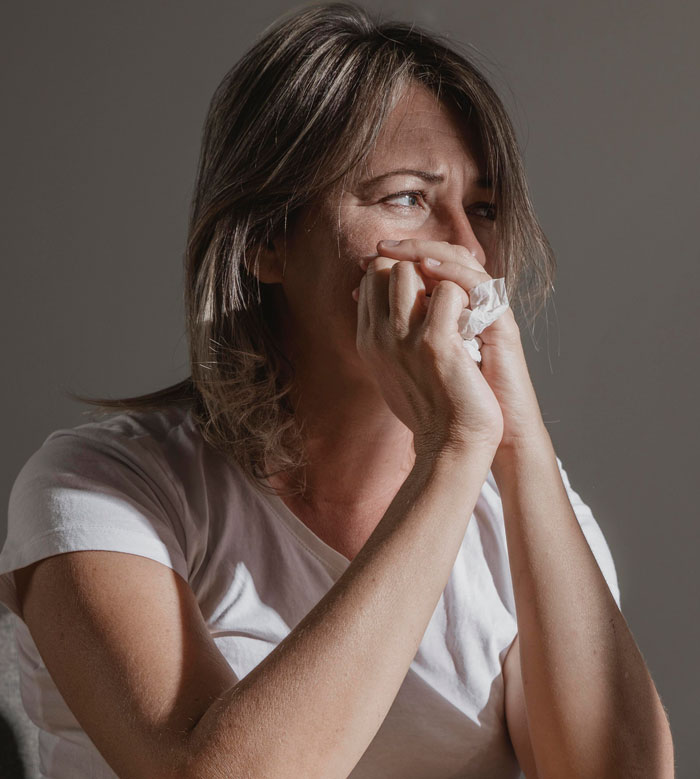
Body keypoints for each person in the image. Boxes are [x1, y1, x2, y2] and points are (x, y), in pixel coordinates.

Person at [0, 3, 674, 778]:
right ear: (266, 241)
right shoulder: (104, 491)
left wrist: (520, 449)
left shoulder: (524, 509)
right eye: (407, 199)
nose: (467, 247)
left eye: (483, 208)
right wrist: (450, 454)